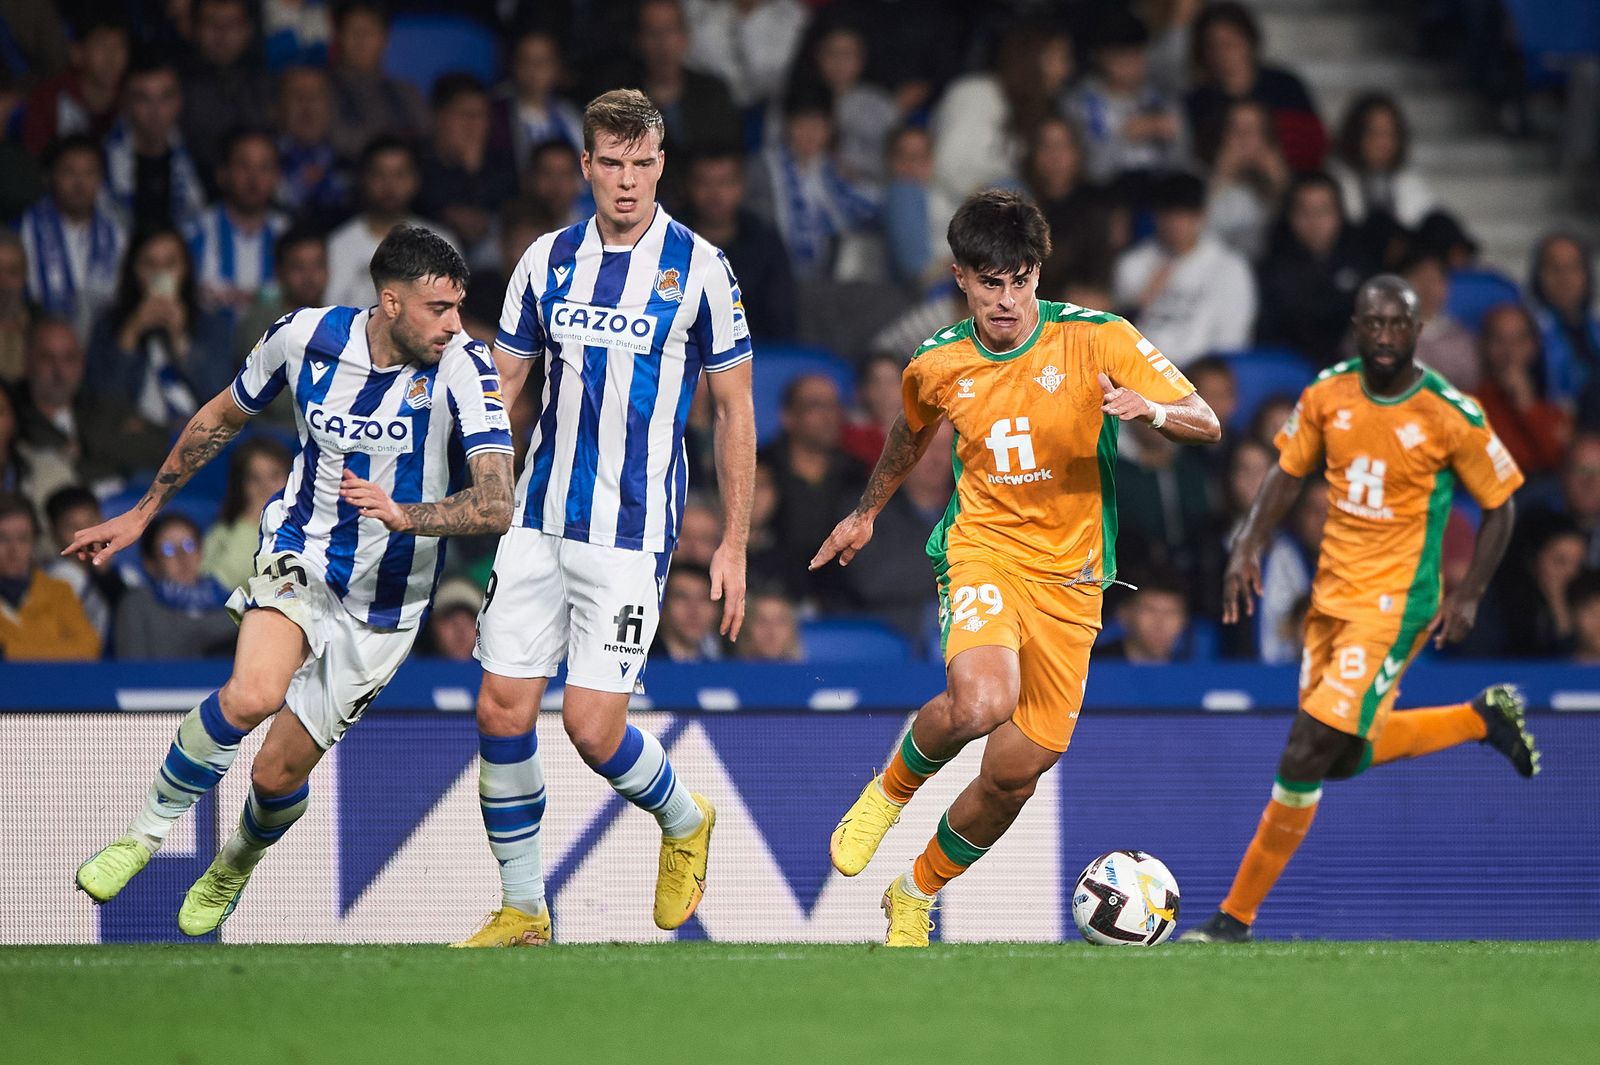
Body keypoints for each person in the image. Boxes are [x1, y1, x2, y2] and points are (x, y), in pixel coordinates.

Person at [68, 225, 515, 936]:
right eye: (440, 308)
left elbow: (497, 501)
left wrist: (408, 515)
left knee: (275, 777)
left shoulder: (466, 366)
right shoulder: (304, 337)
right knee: (252, 692)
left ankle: (235, 861)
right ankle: (143, 836)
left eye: (459, 306)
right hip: (301, 553)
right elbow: (223, 415)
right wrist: (144, 511)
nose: (455, 323)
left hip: (387, 604)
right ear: (391, 302)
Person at [812, 188, 1221, 947]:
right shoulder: (938, 362)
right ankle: (887, 791)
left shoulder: (1100, 338)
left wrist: (1152, 411)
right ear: (962, 278)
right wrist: (867, 511)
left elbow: (1208, 419)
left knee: (1013, 774)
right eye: (990, 281)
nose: (1007, 299)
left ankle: (914, 892)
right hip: (985, 550)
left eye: (1021, 279)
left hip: (1073, 582)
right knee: (978, 704)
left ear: (1039, 272)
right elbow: (909, 432)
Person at [456, 90, 755, 948]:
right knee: (499, 710)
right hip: (539, 518)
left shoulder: (702, 268)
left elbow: (734, 409)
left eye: (643, 162)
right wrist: (473, 486)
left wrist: (732, 540)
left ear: (663, 164)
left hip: (630, 535)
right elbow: (505, 389)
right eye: (611, 163)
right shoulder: (544, 261)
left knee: (593, 728)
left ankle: (686, 814)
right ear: (586, 166)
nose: (627, 181)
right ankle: (523, 908)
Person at [1182, 275, 1536, 944]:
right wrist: (1249, 542)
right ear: (1356, 325)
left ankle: (1234, 917)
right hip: (1331, 597)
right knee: (1340, 758)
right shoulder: (1328, 392)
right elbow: (1287, 469)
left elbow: (1503, 502)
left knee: (1308, 746)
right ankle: (1479, 718)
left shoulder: (1447, 410)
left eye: (1396, 325)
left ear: (1416, 330)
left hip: (1395, 604)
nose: (1383, 337)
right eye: (1371, 324)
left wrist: (1470, 591)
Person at [86, 226, 236, 432]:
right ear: (134, 269)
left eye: (170, 264)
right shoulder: (109, 324)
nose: (160, 274)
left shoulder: (210, 324)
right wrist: (130, 335)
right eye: (150, 264)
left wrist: (181, 343)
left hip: (200, 436)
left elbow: (223, 399)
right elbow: (103, 405)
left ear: (185, 269)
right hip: (139, 439)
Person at [1113, 171, 1256, 366]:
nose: (1175, 223)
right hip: (1140, 374)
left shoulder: (1229, 267)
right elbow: (1116, 337)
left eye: (1183, 215)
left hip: (1202, 378)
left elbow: (1232, 342)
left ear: (1201, 216)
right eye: (1167, 214)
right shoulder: (1133, 263)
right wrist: (1139, 302)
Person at [17, 315, 170, 485]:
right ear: (27, 361)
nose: (59, 371)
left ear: (82, 363)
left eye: (69, 358)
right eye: (47, 358)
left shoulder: (101, 406)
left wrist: (87, 447)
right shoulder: (14, 415)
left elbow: (160, 446)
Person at [759, 372, 867, 606]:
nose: (829, 416)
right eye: (815, 406)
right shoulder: (761, 469)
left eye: (835, 406)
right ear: (787, 416)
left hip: (843, 597)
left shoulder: (857, 474)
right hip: (772, 593)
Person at [1254, 171, 1380, 367]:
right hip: (1292, 373)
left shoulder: (1364, 259)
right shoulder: (1271, 270)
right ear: (1290, 216)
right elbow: (1268, 339)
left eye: (1323, 211)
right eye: (1304, 211)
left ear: (1339, 214)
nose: (1314, 221)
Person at [1184, 1, 1325, 172]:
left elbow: (1313, 145)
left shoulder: (1285, 86)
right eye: (1212, 46)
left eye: (1230, 44)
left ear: (1249, 41)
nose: (1222, 54)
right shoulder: (1198, 101)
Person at [678, 149, 797, 340]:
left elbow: (782, 322)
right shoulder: (667, 238)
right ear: (689, 186)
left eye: (725, 183)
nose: (715, 194)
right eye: (704, 183)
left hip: (757, 355)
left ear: (741, 187)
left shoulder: (765, 242)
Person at [1065, 10, 1189, 188]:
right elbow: (1090, 170)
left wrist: (1174, 138)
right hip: (1103, 198)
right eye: (1121, 57)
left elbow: (1181, 166)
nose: (1131, 66)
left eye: (1137, 55)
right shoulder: (1078, 104)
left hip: (1156, 196)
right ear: (1100, 56)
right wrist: (1127, 135)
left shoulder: (1163, 100)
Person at [19, 135, 127, 341]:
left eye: (89, 173)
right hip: (41, 345)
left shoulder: (119, 234)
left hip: (104, 348)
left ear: (101, 178)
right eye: (69, 172)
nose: (80, 184)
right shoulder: (24, 231)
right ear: (50, 177)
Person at [325, 138, 456, 308]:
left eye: (400, 174)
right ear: (363, 179)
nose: (390, 185)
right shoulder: (338, 244)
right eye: (379, 174)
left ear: (416, 180)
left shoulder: (442, 244)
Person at [186, 128, 289, 321]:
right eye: (243, 166)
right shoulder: (195, 232)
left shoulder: (289, 236)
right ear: (222, 173)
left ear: (277, 177)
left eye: (264, 167)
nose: (254, 178)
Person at [417, 74, 518, 270]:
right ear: (438, 116)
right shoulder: (418, 163)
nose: (472, 124)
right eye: (463, 114)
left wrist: (473, 169)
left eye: (480, 115)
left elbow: (513, 213)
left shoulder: (500, 164)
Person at [101, 53, 207, 231]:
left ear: (179, 101)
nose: (155, 111)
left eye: (165, 97)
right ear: (126, 103)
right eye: (143, 99)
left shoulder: (199, 159)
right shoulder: (101, 163)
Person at [114, 512, 238, 659]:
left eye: (189, 545)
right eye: (168, 549)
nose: (182, 556)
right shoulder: (138, 604)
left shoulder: (231, 602)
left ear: (201, 553)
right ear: (151, 564)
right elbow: (132, 671)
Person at [1473, 303, 1571, 479]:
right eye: (1498, 340)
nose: (1509, 350)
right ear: (1485, 346)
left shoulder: (1554, 409)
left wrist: (1526, 405)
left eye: (1519, 340)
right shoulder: (1468, 405)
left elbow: (1561, 465)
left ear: (1533, 346)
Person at [0, 490, 100, 660]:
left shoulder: (59, 591)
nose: (14, 549)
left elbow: (89, 647)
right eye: (2, 539)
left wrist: (10, 651)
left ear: (34, 541)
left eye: (23, 539)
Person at [177, 0, 271, 179]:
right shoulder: (175, 86)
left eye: (232, 24)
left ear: (248, 30)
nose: (222, 34)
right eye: (212, 23)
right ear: (193, 28)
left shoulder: (267, 84)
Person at [327, 1, 427, 163]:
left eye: (369, 32)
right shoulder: (321, 90)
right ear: (337, 36)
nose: (361, 41)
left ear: (385, 37)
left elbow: (425, 139)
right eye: (353, 31)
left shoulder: (406, 91)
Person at [1327, 92, 1437, 231]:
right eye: (1374, 133)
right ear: (1355, 135)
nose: (1382, 143)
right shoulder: (1334, 180)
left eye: (1389, 134)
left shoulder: (1410, 180)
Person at [21, 14, 128, 153]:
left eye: (119, 46)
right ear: (76, 53)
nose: (112, 57)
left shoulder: (138, 95)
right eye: (101, 46)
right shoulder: (48, 98)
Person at [202, 435, 293, 592]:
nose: (265, 488)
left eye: (274, 476)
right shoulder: (221, 534)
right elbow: (222, 587)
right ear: (241, 486)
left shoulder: (311, 529)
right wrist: (251, 521)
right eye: (254, 479)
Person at [1202, 99, 1288, 261]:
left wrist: (1280, 184)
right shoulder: (1201, 178)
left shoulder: (1282, 181)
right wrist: (1220, 180)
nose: (1244, 139)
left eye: (1253, 130)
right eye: (1236, 130)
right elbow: (1192, 236)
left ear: (1267, 137)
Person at [491, 28, 585, 176]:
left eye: (542, 62)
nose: (533, 70)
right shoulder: (496, 115)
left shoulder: (570, 114)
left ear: (557, 66)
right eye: (525, 61)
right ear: (513, 64)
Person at [1526, 232, 1600, 414]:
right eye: (1554, 268)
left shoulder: (1595, 330)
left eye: (1573, 267)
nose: (1564, 278)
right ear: (1538, 276)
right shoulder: (1525, 334)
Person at [42, 484, 126, 642]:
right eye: (73, 527)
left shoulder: (126, 574)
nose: (86, 534)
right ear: (53, 533)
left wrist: (106, 575)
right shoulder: (54, 579)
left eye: (91, 522)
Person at [273, 65, 349, 222]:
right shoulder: (264, 163)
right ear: (278, 107)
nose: (307, 106)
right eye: (297, 96)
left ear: (331, 106)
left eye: (316, 96)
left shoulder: (350, 165)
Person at [1100, 576, 1189, 662]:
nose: (1160, 624)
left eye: (1171, 613)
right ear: (1124, 614)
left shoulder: (1191, 669)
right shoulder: (1094, 665)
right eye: (1150, 610)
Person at [649, 563, 724, 662]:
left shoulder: (727, 662)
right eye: (682, 597)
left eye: (703, 598)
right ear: (662, 605)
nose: (694, 611)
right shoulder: (640, 665)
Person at [424, 578, 484, 661]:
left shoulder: (502, 671)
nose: (461, 631)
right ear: (432, 625)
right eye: (450, 620)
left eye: (470, 620)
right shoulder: (405, 669)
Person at [738, 586, 802, 661]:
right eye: (762, 621)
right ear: (747, 628)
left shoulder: (810, 672)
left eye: (780, 622)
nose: (771, 631)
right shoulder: (730, 671)